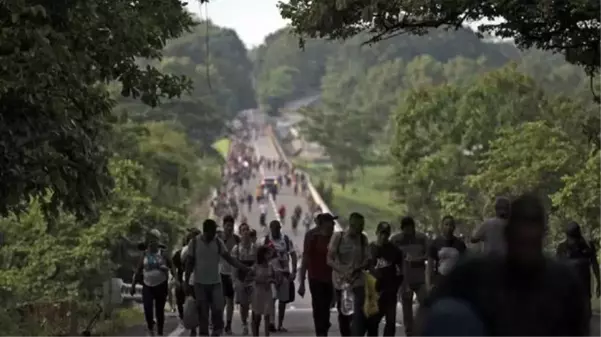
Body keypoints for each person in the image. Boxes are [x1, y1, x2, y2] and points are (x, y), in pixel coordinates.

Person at [417, 194, 589, 337]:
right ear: (508, 234)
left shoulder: (562, 281)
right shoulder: (475, 273)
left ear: (541, 236)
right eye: (520, 241)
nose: (525, 250)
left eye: (531, 242)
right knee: (448, 313)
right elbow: (428, 310)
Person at [184, 219, 250, 337]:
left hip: (215, 283)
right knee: (203, 312)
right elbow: (189, 263)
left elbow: (229, 258)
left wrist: (244, 268)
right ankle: (204, 334)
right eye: (213, 231)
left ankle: (216, 332)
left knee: (218, 309)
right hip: (200, 283)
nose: (215, 233)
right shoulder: (194, 243)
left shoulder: (218, 242)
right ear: (206, 231)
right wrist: (186, 282)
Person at [327, 212, 369, 337]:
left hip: (357, 279)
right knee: (344, 313)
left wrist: (358, 268)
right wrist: (343, 271)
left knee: (359, 311)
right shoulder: (338, 237)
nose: (362, 228)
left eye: (363, 225)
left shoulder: (363, 238)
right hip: (341, 281)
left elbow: (367, 259)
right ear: (352, 225)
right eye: (359, 225)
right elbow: (329, 260)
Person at [557, 221, 601, 330]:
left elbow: (595, 265)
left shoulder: (587, 246)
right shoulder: (562, 248)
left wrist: (599, 282)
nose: (573, 242)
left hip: (583, 291)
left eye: (574, 238)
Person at [298, 213, 336, 337]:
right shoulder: (311, 236)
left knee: (327, 306)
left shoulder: (335, 237)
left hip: (331, 278)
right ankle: (321, 332)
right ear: (321, 224)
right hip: (315, 277)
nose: (333, 224)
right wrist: (302, 283)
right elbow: (305, 258)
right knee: (318, 306)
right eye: (330, 222)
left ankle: (324, 325)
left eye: (333, 222)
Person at [390, 216, 428, 337]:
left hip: (420, 277)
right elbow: (390, 257)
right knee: (407, 306)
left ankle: (425, 327)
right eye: (405, 228)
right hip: (404, 278)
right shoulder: (396, 240)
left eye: (410, 228)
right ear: (402, 228)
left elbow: (429, 255)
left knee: (425, 302)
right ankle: (409, 332)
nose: (408, 231)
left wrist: (419, 259)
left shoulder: (422, 238)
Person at [132, 229, 174, 337]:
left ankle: (160, 332)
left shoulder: (163, 254)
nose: (152, 244)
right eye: (150, 241)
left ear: (158, 242)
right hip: (147, 285)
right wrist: (133, 285)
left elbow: (172, 267)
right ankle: (151, 328)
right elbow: (138, 270)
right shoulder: (144, 255)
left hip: (161, 284)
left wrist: (175, 278)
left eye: (154, 241)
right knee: (148, 308)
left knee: (160, 310)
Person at [366, 222, 404, 337]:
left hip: (390, 292)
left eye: (386, 234)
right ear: (377, 233)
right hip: (374, 292)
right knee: (373, 323)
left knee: (390, 323)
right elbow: (364, 268)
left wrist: (396, 286)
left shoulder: (395, 250)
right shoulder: (370, 249)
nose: (384, 236)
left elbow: (401, 270)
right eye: (382, 233)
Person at [263, 220, 298, 332]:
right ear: (270, 229)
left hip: (284, 274)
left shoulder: (286, 240)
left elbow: (293, 255)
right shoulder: (266, 240)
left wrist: (294, 271)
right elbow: (260, 257)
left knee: (282, 301)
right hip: (271, 274)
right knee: (272, 297)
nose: (275, 231)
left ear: (280, 228)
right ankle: (272, 323)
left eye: (277, 229)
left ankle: (280, 324)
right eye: (273, 229)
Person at [426, 216, 467, 290]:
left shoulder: (460, 244)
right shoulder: (435, 243)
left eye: (451, 225)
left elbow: (465, 264)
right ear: (442, 226)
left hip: (456, 282)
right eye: (446, 224)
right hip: (440, 282)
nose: (448, 227)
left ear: (454, 227)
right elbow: (429, 267)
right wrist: (429, 285)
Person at [232, 223, 258, 335]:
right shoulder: (236, 249)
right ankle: (244, 323)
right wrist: (234, 280)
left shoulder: (255, 248)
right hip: (241, 279)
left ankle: (254, 323)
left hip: (253, 280)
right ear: (240, 233)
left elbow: (259, 263)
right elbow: (233, 265)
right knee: (243, 304)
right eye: (243, 230)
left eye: (247, 229)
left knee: (255, 303)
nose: (246, 232)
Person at [220, 215, 241, 334]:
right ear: (223, 226)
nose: (229, 228)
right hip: (220, 273)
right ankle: (218, 322)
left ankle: (228, 324)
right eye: (227, 226)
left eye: (231, 226)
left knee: (230, 300)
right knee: (220, 301)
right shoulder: (218, 240)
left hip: (232, 274)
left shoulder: (237, 240)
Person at [251, 246, 276, 337]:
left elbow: (273, 277)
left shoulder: (270, 266)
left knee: (267, 315)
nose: (270, 255)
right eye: (268, 253)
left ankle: (267, 335)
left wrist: (272, 280)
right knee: (257, 316)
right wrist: (261, 280)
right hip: (258, 292)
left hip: (267, 292)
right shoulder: (256, 266)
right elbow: (250, 277)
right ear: (263, 254)